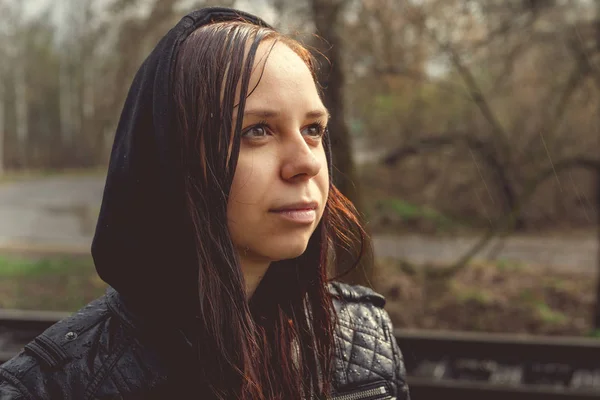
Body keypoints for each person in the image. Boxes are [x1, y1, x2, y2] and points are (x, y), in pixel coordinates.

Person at [0, 7, 409, 400]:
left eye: (313, 129)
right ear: (173, 156)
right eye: (258, 130)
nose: (305, 162)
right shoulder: (55, 386)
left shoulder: (363, 338)